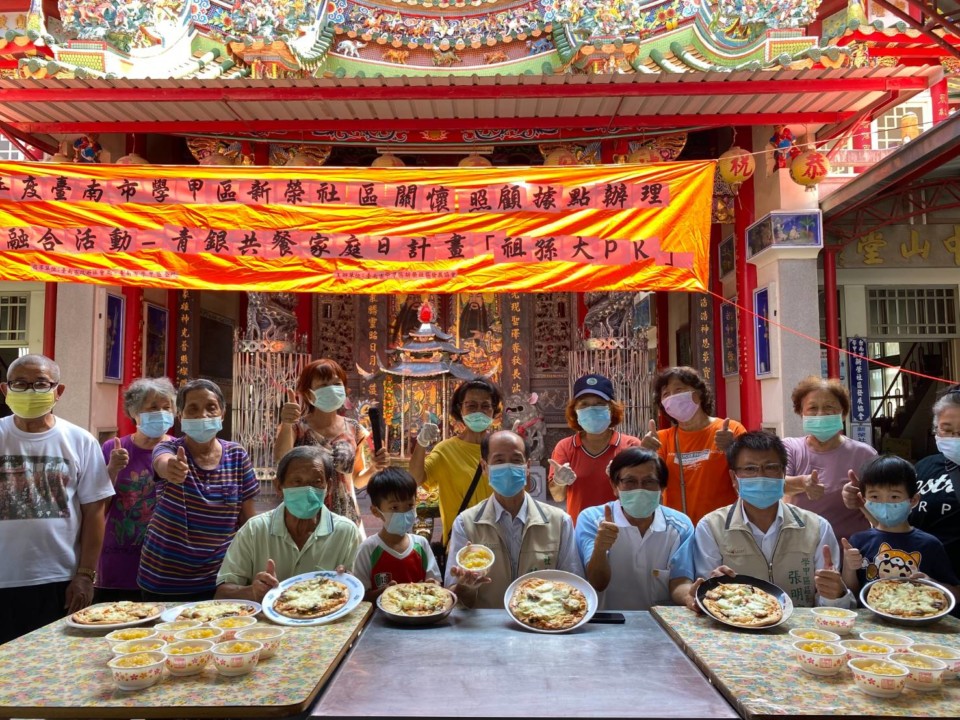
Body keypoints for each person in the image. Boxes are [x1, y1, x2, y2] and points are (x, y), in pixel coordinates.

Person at [0, 354, 114, 644]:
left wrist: (85, 575)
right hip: (4, 579)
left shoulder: (80, 440)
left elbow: (94, 512)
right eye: (20, 384)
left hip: (59, 580)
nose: (29, 392)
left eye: (40, 384)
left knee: (56, 666)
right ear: (5, 390)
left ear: (58, 391)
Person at [674, 432, 854, 609]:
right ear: (733, 478)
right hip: (737, 629)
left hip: (801, 634)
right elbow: (708, 599)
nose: (760, 476)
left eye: (770, 467)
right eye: (750, 469)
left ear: (783, 473)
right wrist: (712, 587)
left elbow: (830, 606)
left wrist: (834, 595)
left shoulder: (817, 527)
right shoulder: (712, 527)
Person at [138, 378, 259, 601]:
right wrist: (171, 468)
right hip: (164, 579)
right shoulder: (169, 448)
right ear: (181, 416)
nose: (202, 415)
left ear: (222, 413)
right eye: (193, 409)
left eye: (210, 408)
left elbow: (248, 520)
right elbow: (162, 463)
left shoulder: (237, 455)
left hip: (219, 579)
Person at [445, 430, 583, 609]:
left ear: (527, 467)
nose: (508, 467)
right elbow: (455, 600)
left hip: (543, 627)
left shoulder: (560, 522)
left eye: (516, 460)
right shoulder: (466, 523)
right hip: (486, 630)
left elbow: (575, 586)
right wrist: (466, 586)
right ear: (485, 467)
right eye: (499, 460)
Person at [216, 446, 362, 601]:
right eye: (297, 481)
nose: (307, 490)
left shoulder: (346, 532)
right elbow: (222, 593)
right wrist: (252, 591)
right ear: (279, 486)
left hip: (325, 620)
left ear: (329, 487)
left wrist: (349, 583)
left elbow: (360, 594)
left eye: (317, 482)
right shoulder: (254, 530)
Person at [843, 384, 960, 578]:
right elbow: (895, 523)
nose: (955, 438)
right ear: (935, 429)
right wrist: (864, 504)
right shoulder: (925, 467)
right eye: (946, 430)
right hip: (910, 580)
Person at [575, 447, 693, 610]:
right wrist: (600, 549)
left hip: (661, 625)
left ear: (662, 489)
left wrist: (690, 597)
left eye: (649, 482)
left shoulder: (680, 526)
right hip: (606, 623)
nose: (639, 489)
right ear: (615, 486)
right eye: (630, 481)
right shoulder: (593, 520)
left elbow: (680, 581)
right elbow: (597, 583)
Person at [275, 358, 388, 528]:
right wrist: (286, 423)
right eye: (323, 385)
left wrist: (374, 468)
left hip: (346, 518)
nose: (332, 390)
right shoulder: (296, 428)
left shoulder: (354, 429)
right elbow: (281, 460)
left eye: (337, 383)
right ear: (308, 394)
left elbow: (356, 480)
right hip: (305, 518)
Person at [96, 377, 177, 603]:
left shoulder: (179, 450)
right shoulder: (113, 448)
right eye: (152, 407)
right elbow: (99, 507)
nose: (161, 413)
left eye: (166, 407)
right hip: (119, 561)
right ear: (134, 412)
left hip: (164, 561)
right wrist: (112, 469)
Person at [841, 455, 959, 600]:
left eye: (894, 497)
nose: (885, 503)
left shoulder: (930, 545)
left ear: (913, 500)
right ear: (864, 500)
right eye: (875, 497)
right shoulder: (858, 541)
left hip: (915, 615)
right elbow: (850, 595)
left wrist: (933, 585)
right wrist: (849, 567)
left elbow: (956, 593)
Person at [641, 366, 746, 525]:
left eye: (678, 390)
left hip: (724, 528)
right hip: (679, 530)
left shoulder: (731, 430)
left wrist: (732, 449)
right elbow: (648, 485)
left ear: (698, 394)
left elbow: (750, 474)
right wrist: (644, 455)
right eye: (666, 394)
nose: (672, 397)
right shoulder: (661, 440)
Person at [409, 378, 502, 546]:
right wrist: (421, 443)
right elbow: (415, 478)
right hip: (460, 545)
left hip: (499, 543)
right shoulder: (446, 450)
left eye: (485, 406)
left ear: (494, 410)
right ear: (461, 409)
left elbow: (519, 492)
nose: (479, 412)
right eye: (472, 405)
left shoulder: (502, 447)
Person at [782, 376, 876, 541]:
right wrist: (803, 483)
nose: (820, 414)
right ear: (801, 413)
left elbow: (881, 503)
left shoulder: (865, 454)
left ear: (843, 413)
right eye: (812, 408)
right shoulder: (789, 448)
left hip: (850, 550)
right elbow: (775, 483)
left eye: (829, 407)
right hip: (799, 548)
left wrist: (861, 500)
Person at [548, 373, 642, 525]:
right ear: (575, 410)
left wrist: (623, 478)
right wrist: (559, 481)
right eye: (584, 404)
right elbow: (558, 497)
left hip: (623, 530)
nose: (591, 409)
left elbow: (641, 495)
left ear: (611, 409)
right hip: (580, 532)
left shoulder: (631, 445)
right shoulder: (565, 447)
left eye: (599, 403)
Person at [353, 467, 442, 601]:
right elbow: (360, 596)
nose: (404, 513)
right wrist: (384, 593)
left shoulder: (421, 544)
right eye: (394, 507)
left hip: (419, 614)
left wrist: (433, 587)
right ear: (376, 511)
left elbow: (435, 583)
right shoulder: (368, 549)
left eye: (410, 505)